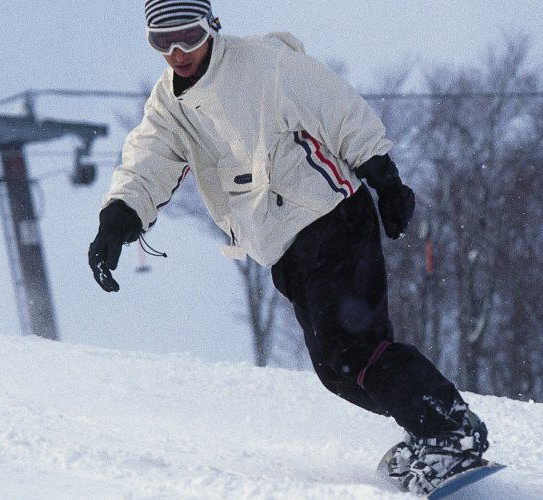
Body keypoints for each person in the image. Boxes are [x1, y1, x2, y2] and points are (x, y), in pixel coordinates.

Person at [87, 1, 489, 494]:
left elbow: (339, 107)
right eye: (161, 41)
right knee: (337, 370)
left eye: (187, 36)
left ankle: (450, 429)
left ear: (211, 26)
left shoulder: (264, 66)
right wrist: (117, 220)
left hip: (332, 215)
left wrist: (384, 178)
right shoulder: (168, 105)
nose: (176, 52)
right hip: (282, 244)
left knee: (351, 351)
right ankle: (431, 427)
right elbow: (147, 160)